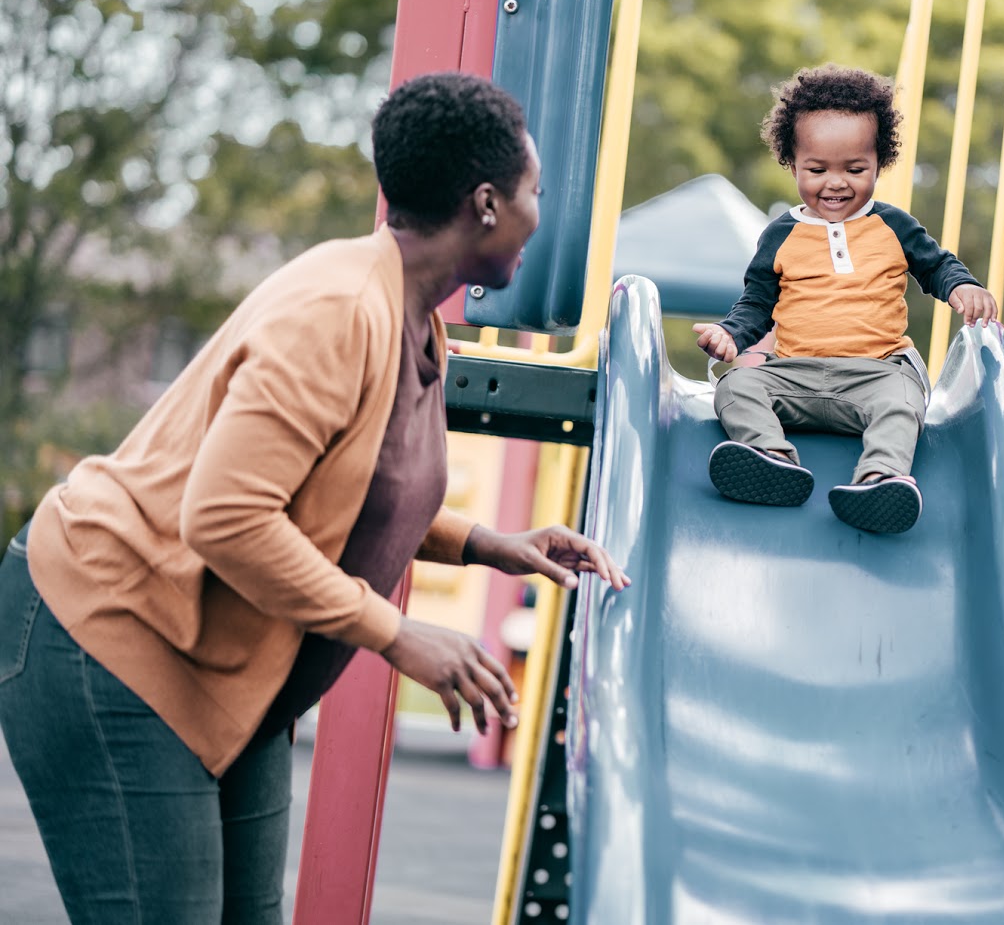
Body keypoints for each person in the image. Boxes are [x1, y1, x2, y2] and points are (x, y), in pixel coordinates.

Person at [0, 71, 628, 925]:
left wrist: (489, 542)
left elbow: (348, 492)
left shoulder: (415, 314)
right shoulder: (338, 309)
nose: (539, 214)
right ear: (486, 203)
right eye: (535, 193)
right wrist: (396, 632)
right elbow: (226, 516)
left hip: (226, 654)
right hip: (112, 631)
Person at [693, 64, 998, 534]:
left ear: (879, 164)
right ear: (792, 165)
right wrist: (729, 335)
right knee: (735, 387)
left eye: (855, 169)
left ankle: (880, 479)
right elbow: (756, 304)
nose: (836, 183)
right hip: (794, 375)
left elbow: (936, 264)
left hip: (877, 373)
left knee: (903, 403)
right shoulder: (781, 236)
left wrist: (962, 286)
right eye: (817, 170)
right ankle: (770, 457)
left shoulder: (893, 225)